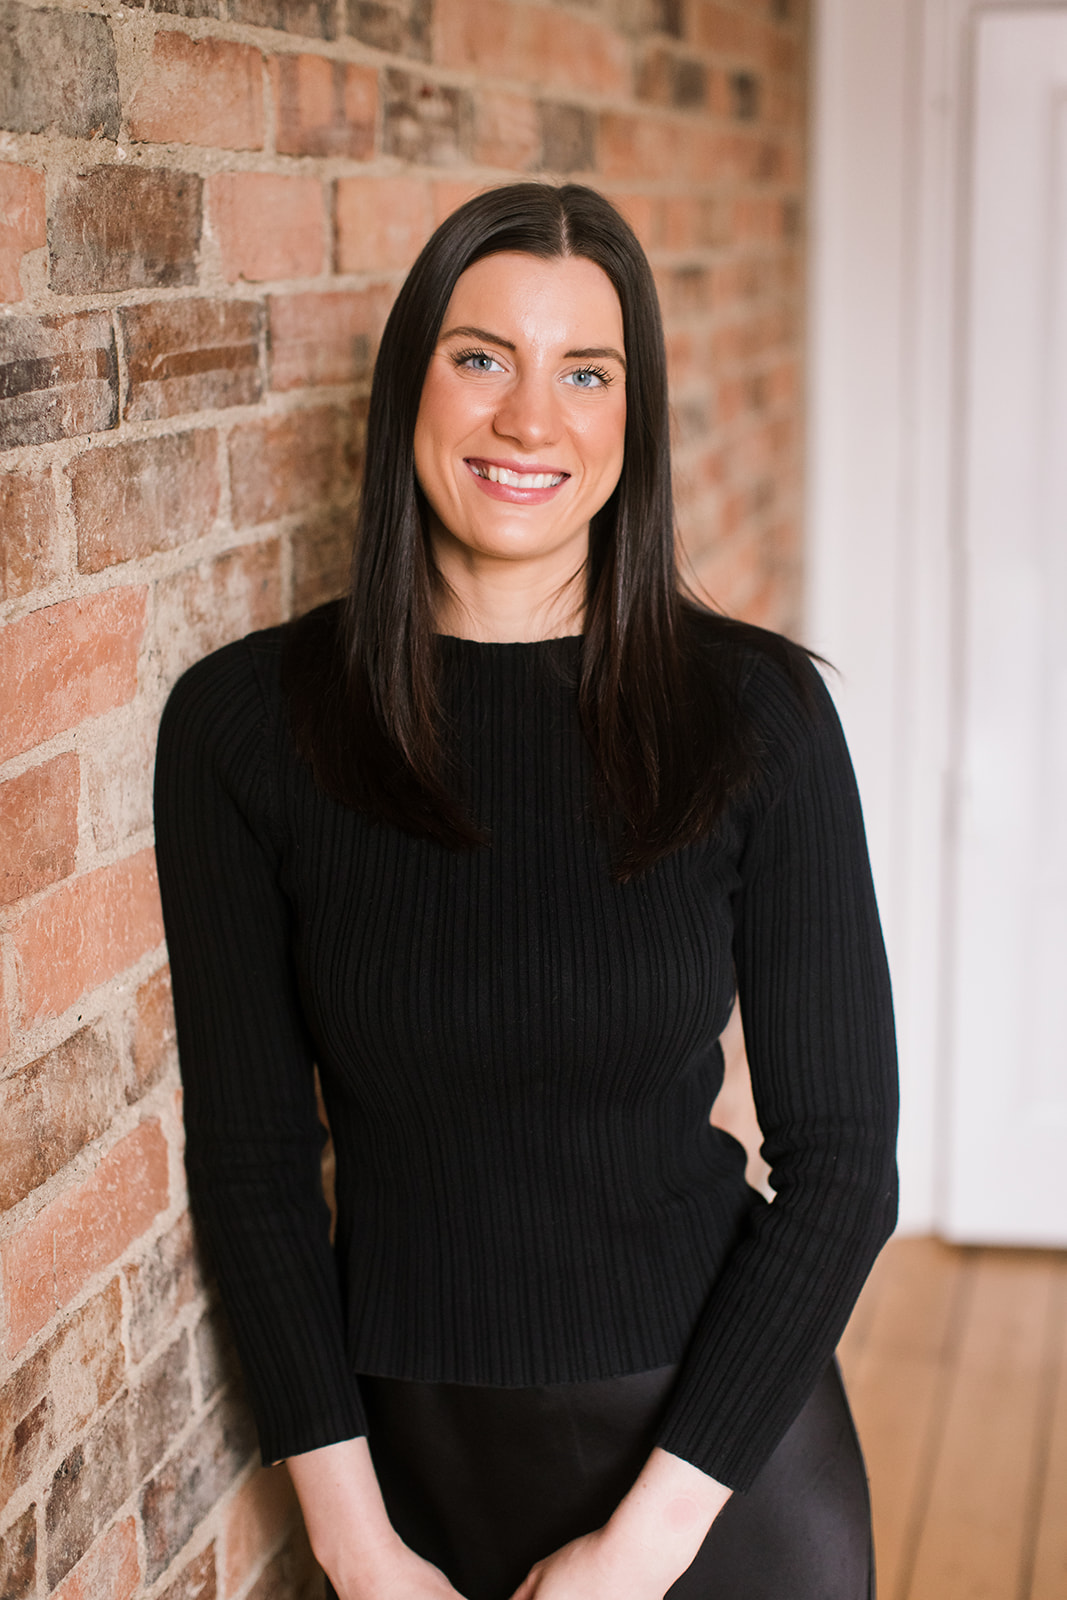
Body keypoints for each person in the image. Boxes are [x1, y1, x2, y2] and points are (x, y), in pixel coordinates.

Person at [154, 182, 898, 1600]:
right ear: (409, 387)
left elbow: (847, 1164)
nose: (528, 422)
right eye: (482, 357)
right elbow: (252, 1172)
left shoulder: (757, 715)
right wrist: (356, 1548)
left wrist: (640, 1553)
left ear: (634, 419)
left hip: (718, 1465)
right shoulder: (248, 729)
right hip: (408, 1487)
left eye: (586, 373)